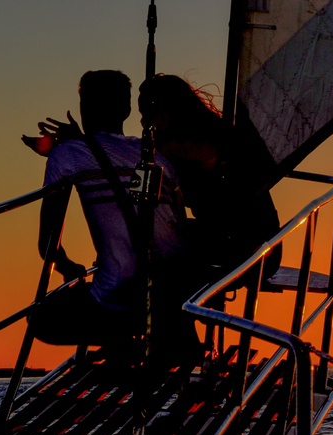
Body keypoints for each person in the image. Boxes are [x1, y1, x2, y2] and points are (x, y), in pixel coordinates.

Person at [28, 70, 192, 353]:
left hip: (121, 295)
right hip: (172, 291)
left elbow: (48, 245)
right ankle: (152, 332)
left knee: (40, 318)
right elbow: (150, 213)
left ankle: (120, 337)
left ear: (82, 108)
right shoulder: (152, 156)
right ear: (127, 109)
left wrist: (70, 270)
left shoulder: (66, 155)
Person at [136, 74, 282, 289]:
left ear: (170, 110)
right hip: (242, 243)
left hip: (247, 248)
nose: (144, 122)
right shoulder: (207, 135)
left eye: (150, 115)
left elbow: (139, 189)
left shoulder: (186, 146)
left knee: (154, 252)